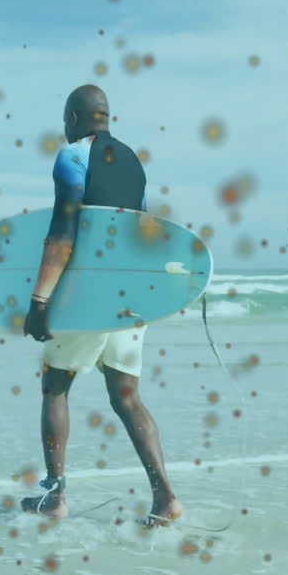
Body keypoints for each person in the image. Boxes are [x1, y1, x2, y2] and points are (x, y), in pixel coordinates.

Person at [20, 84, 184, 527]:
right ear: (107, 116)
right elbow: (141, 230)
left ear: (73, 118)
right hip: (129, 300)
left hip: (86, 296)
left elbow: (63, 232)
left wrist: (38, 301)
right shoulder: (134, 162)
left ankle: (55, 498)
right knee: (127, 397)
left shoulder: (72, 155)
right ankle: (164, 496)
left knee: (55, 386)